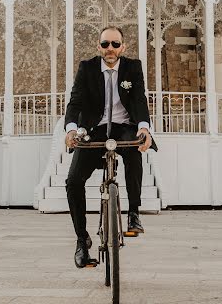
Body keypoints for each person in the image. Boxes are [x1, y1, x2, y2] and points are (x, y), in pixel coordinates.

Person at [64, 25, 157, 268]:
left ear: (122, 47)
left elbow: (139, 99)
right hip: (93, 129)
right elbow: (75, 101)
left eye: (115, 44)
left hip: (123, 127)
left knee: (135, 150)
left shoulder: (132, 67)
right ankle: (82, 240)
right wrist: (71, 128)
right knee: (73, 181)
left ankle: (133, 214)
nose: (110, 49)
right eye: (105, 44)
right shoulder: (87, 68)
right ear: (99, 46)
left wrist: (144, 128)